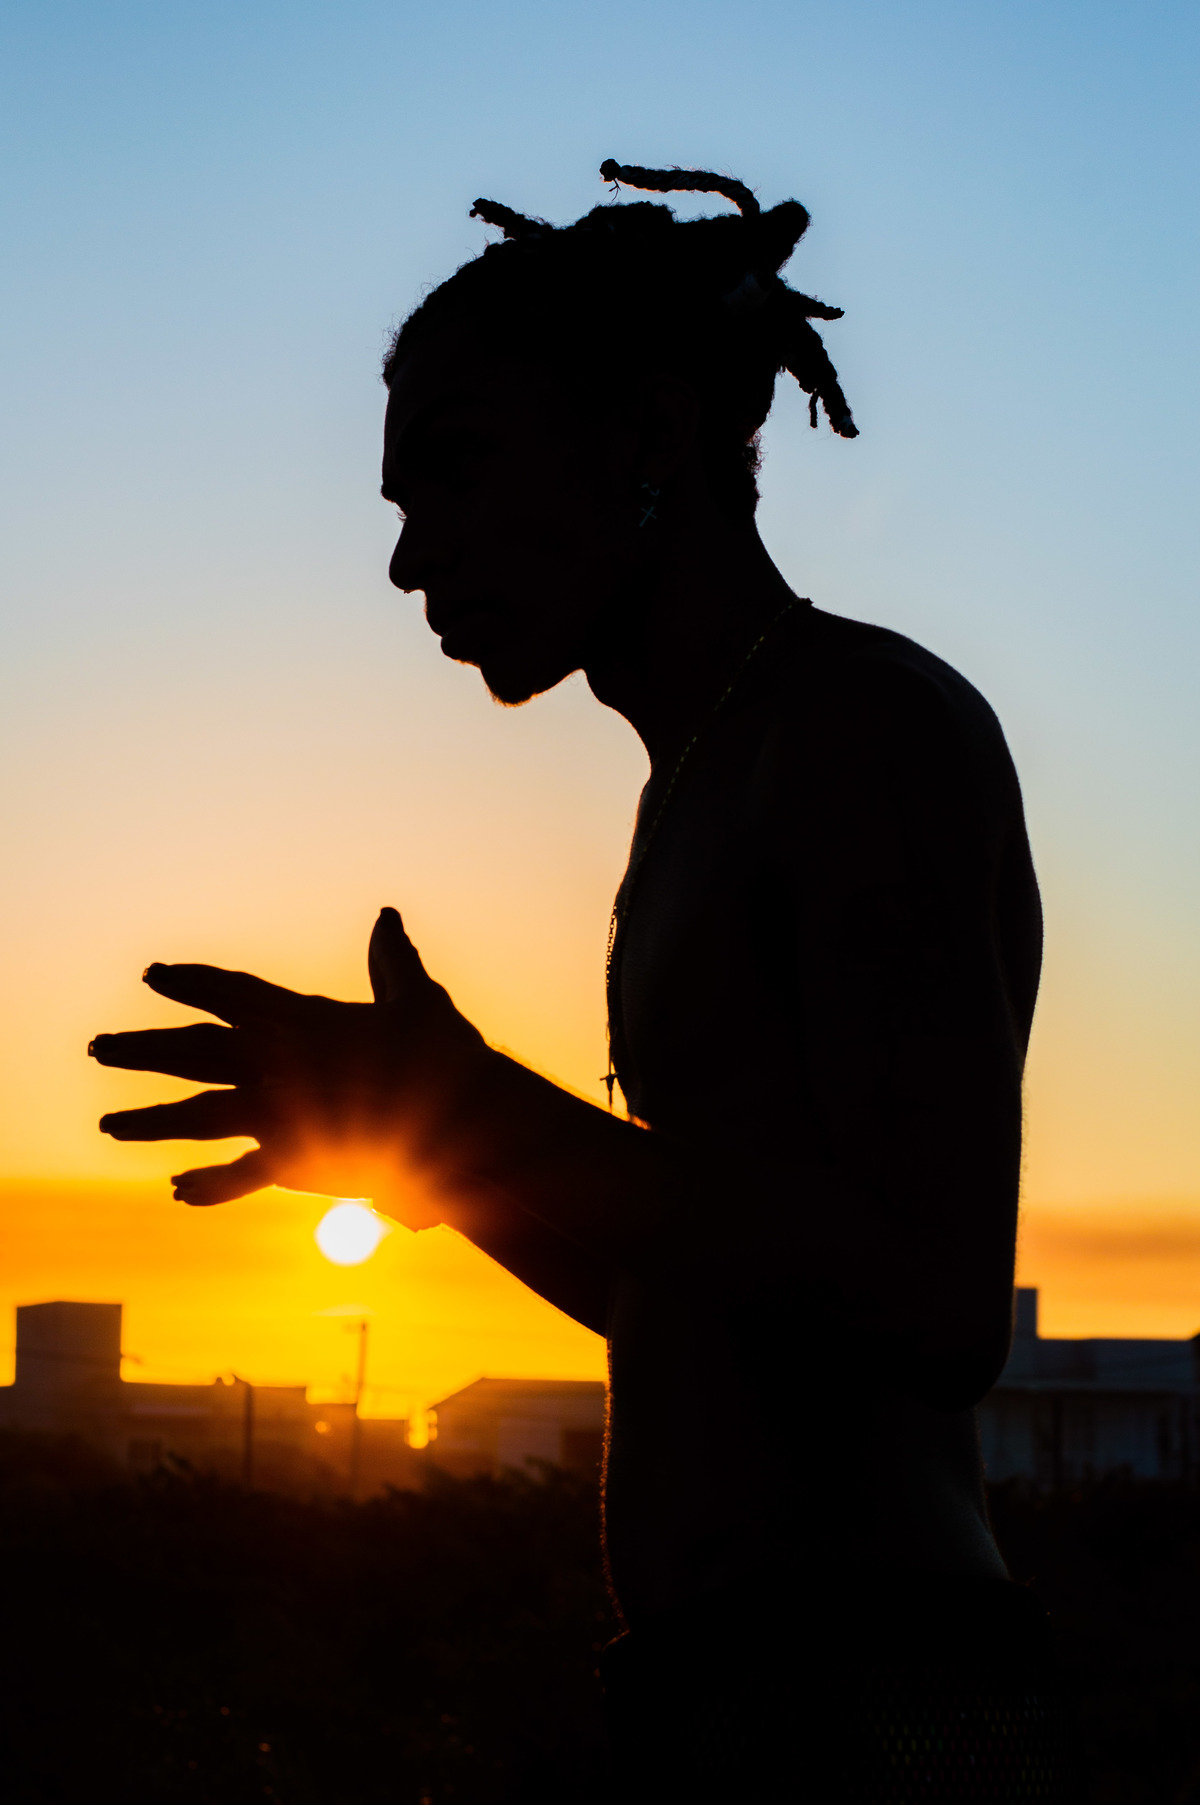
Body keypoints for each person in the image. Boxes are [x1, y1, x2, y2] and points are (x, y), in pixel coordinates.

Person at [90, 161, 1076, 1799]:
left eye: (457, 476)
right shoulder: (693, 784)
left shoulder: (862, 731)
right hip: (729, 1691)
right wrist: (449, 1160)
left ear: (649, 435)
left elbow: (933, 1301)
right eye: (402, 509)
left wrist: (479, 1110)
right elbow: (701, 1302)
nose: (417, 561)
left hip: (878, 1695)